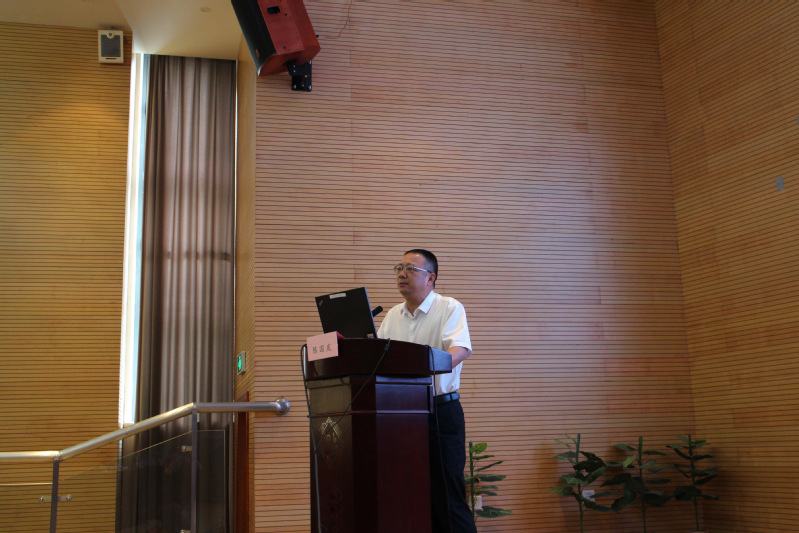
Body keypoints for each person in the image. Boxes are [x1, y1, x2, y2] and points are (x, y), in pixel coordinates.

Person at [377, 249, 477, 533]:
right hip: (401, 416)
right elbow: (377, 360)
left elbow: (460, 350)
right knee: (411, 495)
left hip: (440, 412)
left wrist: (422, 366)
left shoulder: (448, 308)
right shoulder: (392, 316)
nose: (401, 274)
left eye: (410, 268)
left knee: (447, 498)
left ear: (430, 278)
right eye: (399, 268)